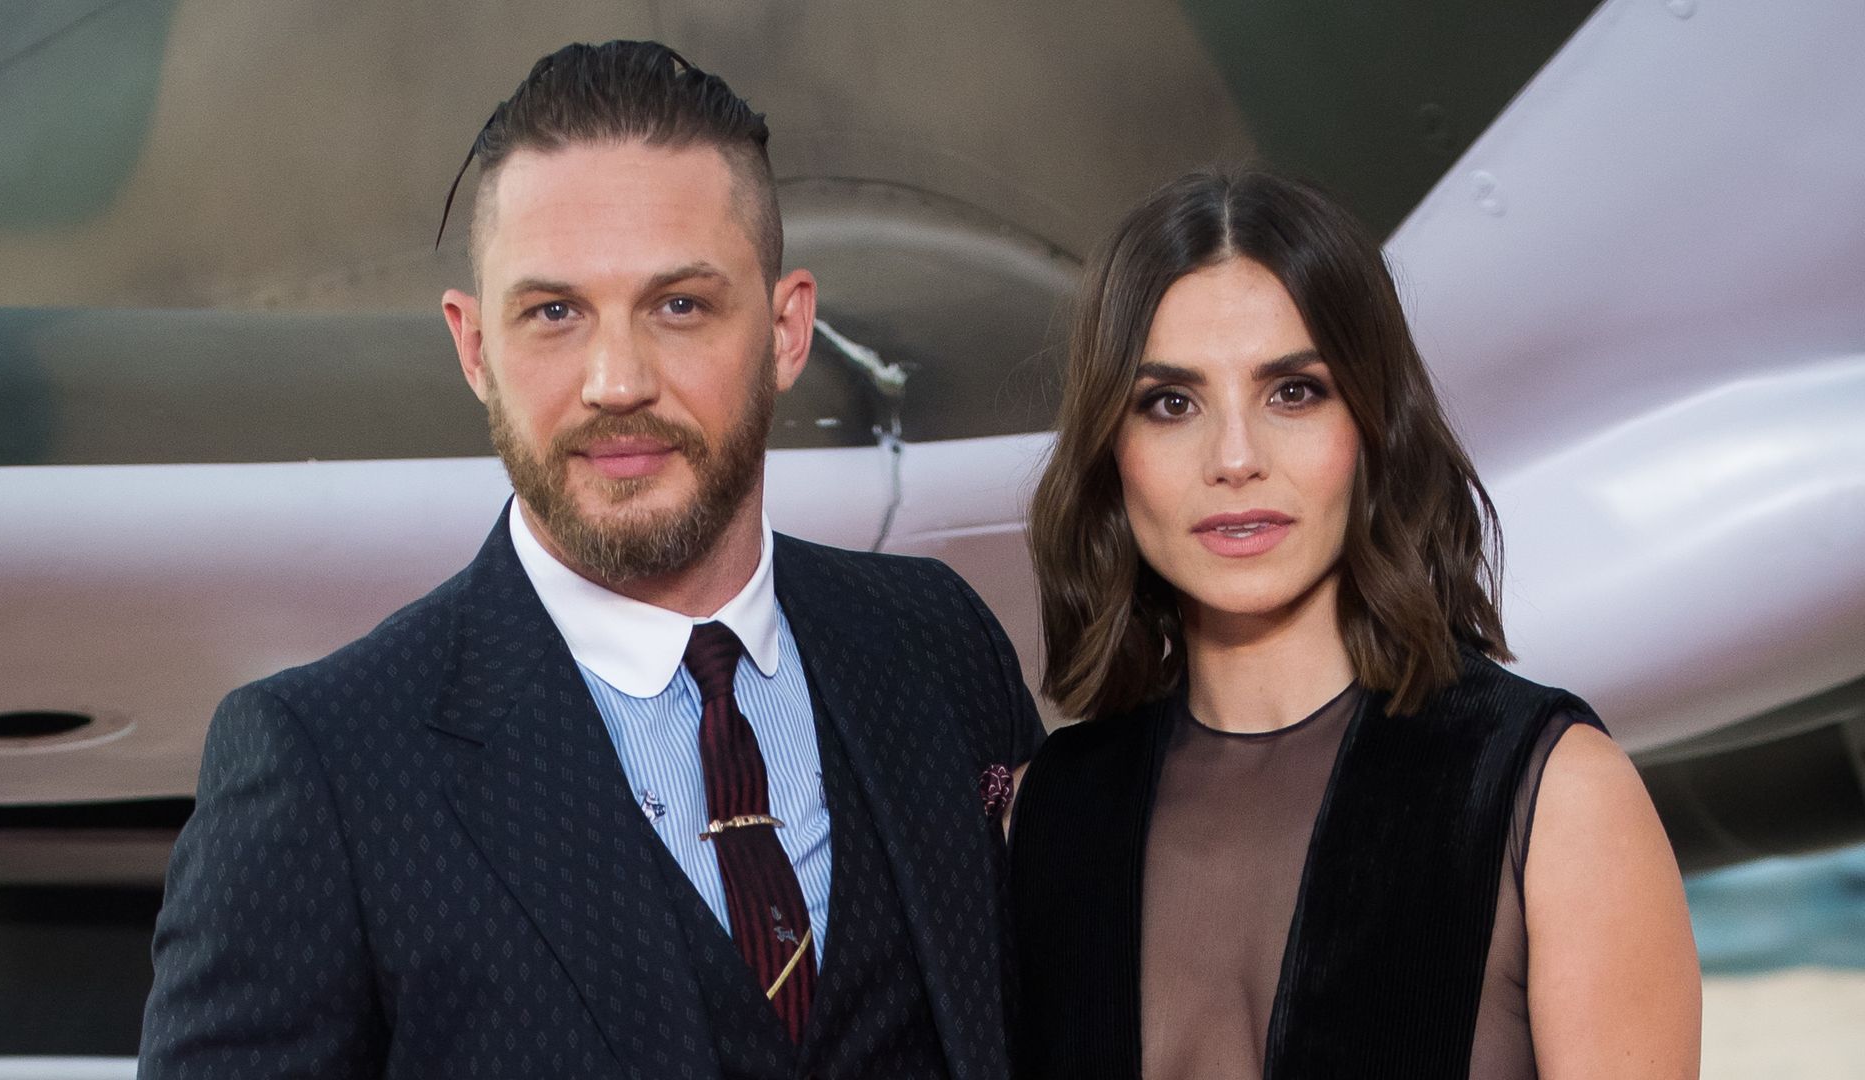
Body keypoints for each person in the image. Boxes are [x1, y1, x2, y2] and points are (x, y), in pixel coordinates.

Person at [140, 41, 1042, 1080]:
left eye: (680, 305)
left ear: (789, 329)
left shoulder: (938, 646)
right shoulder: (321, 770)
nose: (618, 381)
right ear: (474, 348)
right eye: (555, 313)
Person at [1008, 169, 1700, 1080]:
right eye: (1170, 403)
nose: (1235, 458)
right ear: (1112, 451)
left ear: (1375, 425)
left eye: (1293, 392)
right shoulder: (1044, 814)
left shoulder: (1553, 796)